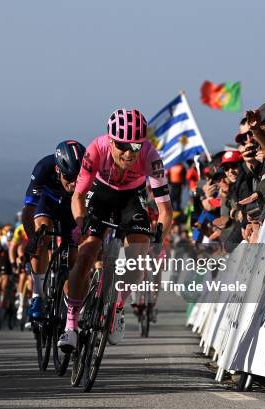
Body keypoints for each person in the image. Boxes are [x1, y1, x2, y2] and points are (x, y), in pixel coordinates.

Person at [57, 109, 173, 352]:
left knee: (137, 258)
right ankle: (71, 325)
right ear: (111, 140)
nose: (130, 153)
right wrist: (80, 224)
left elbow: (165, 209)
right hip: (101, 192)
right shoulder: (96, 149)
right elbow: (78, 195)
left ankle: (117, 307)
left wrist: (159, 238)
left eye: (136, 146)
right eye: (123, 146)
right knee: (87, 252)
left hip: (133, 196)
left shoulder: (151, 156)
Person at [22, 140, 86, 322]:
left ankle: (70, 305)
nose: (73, 183)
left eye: (78, 178)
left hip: (72, 207)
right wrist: (32, 239)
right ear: (58, 170)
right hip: (48, 203)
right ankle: (37, 296)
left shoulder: (90, 169)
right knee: (41, 234)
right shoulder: (44, 168)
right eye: (69, 177)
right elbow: (28, 210)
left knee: (74, 257)